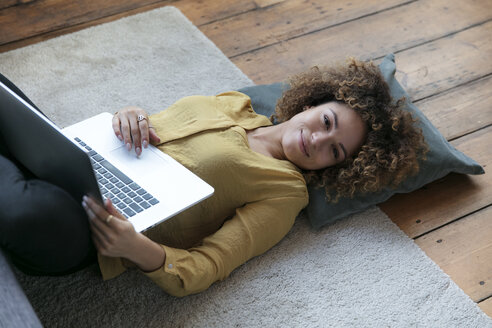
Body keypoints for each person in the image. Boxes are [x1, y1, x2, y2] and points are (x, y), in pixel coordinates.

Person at [0, 58, 426, 297]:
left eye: (335, 151)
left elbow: (211, 264)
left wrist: (136, 247)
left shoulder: (285, 193)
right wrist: (128, 115)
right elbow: (148, 130)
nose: (317, 140)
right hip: (76, 157)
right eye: (327, 121)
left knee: (26, 212)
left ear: (339, 167)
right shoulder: (234, 104)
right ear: (314, 102)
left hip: (90, 225)